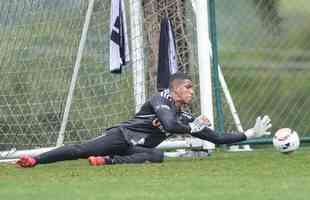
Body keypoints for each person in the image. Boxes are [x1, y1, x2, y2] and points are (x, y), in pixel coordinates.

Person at [17, 72, 272, 167]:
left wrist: (249, 134)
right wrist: (192, 127)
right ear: (174, 90)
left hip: (135, 148)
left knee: (157, 156)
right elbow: (170, 125)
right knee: (79, 150)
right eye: (188, 87)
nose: (192, 91)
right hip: (121, 136)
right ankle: (35, 159)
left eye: (193, 88)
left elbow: (215, 138)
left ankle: (107, 162)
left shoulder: (185, 115)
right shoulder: (159, 100)